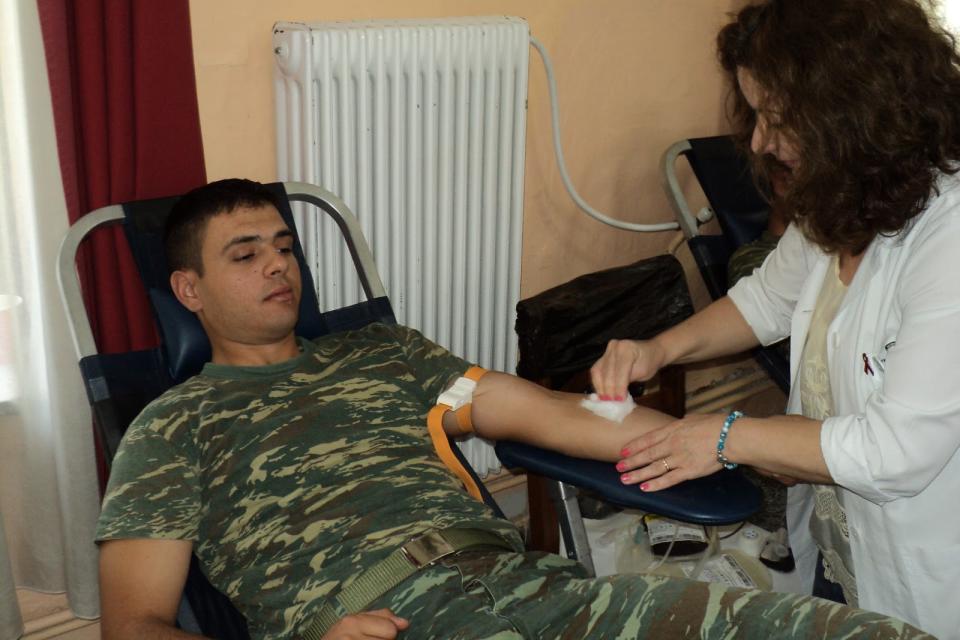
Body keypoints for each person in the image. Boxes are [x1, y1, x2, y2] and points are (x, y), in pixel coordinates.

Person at [95, 179, 927, 640]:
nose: (279, 266)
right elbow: (132, 624)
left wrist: (716, 438)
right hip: (381, 621)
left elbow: (542, 410)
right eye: (246, 255)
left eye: (284, 247)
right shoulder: (171, 428)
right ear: (188, 290)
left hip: (535, 591)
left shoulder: (386, 354)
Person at [590, 1, 960, 638]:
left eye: (776, 118)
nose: (760, 141)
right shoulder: (846, 193)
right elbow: (765, 301)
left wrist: (726, 435)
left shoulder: (947, 240)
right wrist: (658, 350)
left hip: (929, 563)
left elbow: (896, 452)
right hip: (842, 534)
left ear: (852, 113)